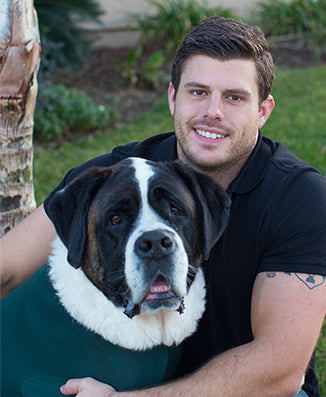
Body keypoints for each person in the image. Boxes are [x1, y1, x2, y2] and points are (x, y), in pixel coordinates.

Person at [1, 16, 325, 397]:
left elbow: (280, 371)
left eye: (234, 97)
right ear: (173, 97)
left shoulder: (300, 199)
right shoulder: (114, 178)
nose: (213, 112)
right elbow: (7, 268)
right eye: (198, 92)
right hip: (142, 375)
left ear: (263, 111)